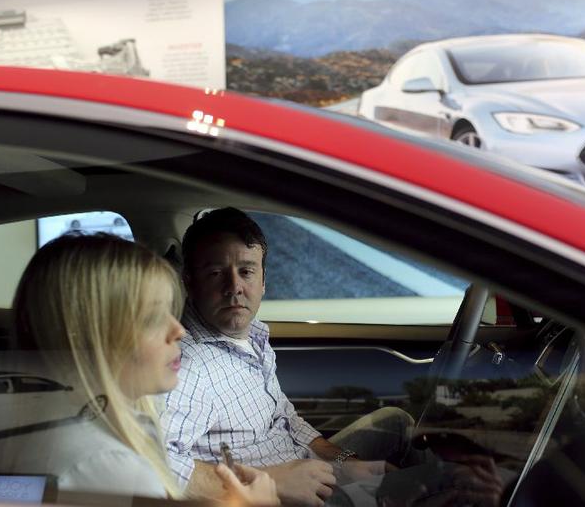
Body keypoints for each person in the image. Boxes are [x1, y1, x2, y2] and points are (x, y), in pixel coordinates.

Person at [162, 209, 415, 506]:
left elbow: (286, 419)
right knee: (449, 489)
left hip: (309, 470)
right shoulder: (188, 365)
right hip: (282, 498)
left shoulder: (253, 337)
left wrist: (345, 464)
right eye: (216, 273)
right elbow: (150, 463)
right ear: (190, 283)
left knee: (395, 421)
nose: (235, 287)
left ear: (263, 280)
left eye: (246, 271)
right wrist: (268, 480)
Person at [12, 233, 278, 504]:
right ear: (90, 337)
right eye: (152, 318)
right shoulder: (110, 466)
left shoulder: (69, 436)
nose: (178, 330)